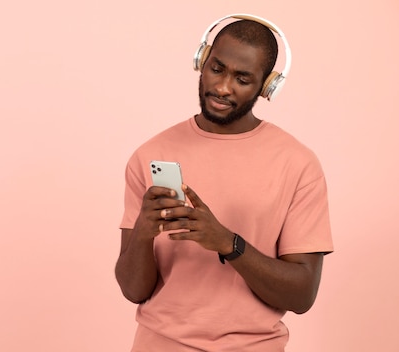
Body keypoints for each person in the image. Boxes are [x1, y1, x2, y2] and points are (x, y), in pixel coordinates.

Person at [115, 14, 333, 352]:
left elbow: (302, 295)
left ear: (266, 86)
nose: (222, 87)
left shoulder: (298, 164)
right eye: (217, 69)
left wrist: (228, 243)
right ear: (202, 62)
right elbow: (133, 291)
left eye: (242, 78)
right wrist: (144, 229)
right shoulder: (149, 154)